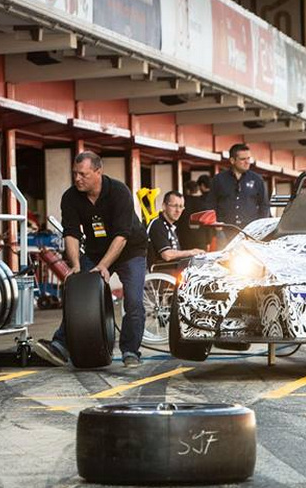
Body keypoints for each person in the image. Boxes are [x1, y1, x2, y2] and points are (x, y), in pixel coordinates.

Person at [33, 152, 149, 367]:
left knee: (133, 301)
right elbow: (71, 233)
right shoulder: (70, 197)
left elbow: (122, 235)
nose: (77, 179)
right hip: (95, 251)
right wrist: (76, 265)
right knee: (79, 295)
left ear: (98, 172)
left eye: (83, 174)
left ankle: (130, 351)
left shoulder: (119, 192)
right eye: (75, 174)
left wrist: (104, 266)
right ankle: (61, 346)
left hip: (130, 249)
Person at [210, 143, 270, 243]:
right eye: (243, 159)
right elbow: (211, 203)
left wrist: (260, 228)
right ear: (232, 160)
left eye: (248, 158)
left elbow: (264, 205)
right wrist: (215, 223)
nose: (247, 162)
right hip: (224, 231)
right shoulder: (219, 179)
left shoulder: (257, 179)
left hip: (250, 232)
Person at [148, 191, 204, 268]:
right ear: (164, 206)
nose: (178, 210)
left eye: (181, 207)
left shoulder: (171, 226)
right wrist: (191, 252)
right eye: (174, 206)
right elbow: (167, 255)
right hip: (158, 271)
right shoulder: (157, 224)